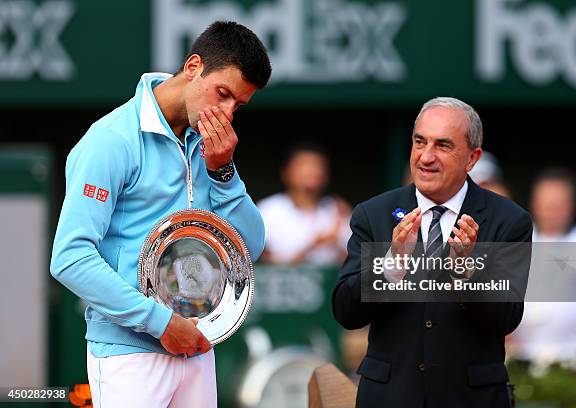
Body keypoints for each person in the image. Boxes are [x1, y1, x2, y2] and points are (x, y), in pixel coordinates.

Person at [50, 21, 271, 407]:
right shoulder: (111, 140)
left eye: (238, 105)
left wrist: (223, 172)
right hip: (129, 354)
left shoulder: (210, 146)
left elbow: (250, 248)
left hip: (198, 348)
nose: (227, 113)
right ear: (193, 66)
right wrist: (161, 323)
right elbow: (70, 258)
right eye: (222, 93)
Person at [332, 97, 532, 407]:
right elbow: (345, 310)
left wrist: (466, 272)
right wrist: (391, 266)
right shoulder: (374, 214)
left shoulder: (508, 220)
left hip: (471, 398)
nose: (426, 157)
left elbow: (507, 317)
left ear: (472, 158)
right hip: (390, 396)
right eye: (419, 141)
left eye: (443, 145)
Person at [510, 169, 576, 370]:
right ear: (534, 204)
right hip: (521, 356)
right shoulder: (516, 240)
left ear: (571, 205)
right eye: (546, 202)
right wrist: (506, 342)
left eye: (558, 203)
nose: (552, 209)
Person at [258, 143, 351, 265]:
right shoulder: (267, 210)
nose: (312, 171)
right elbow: (263, 265)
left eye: (318, 166)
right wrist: (314, 246)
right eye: (304, 165)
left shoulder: (338, 210)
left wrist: (336, 245)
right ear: (285, 172)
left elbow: (361, 269)